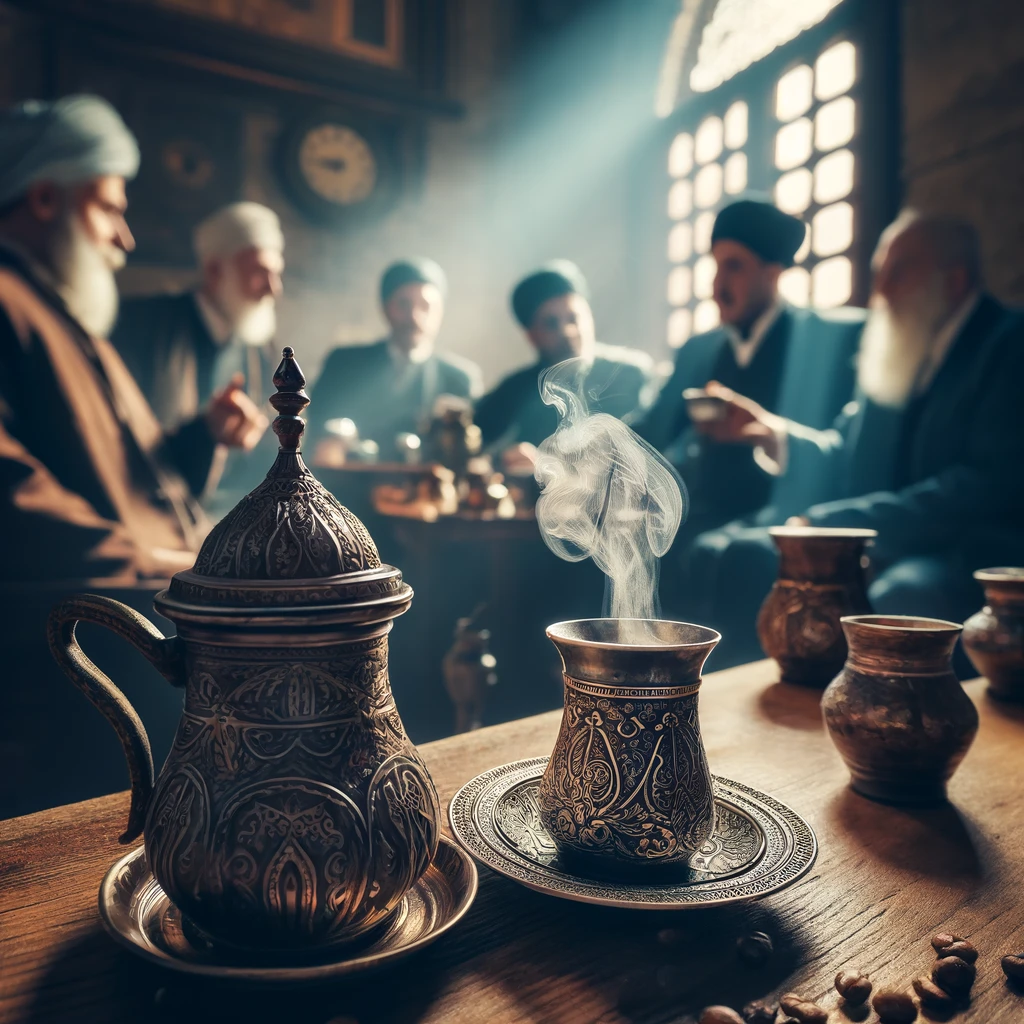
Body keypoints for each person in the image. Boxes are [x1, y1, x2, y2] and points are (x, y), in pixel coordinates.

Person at [686, 211, 1024, 667]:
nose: (880, 289)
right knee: (750, 554)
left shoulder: (1007, 345)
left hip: (964, 549)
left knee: (901, 593)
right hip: (884, 535)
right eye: (879, 272)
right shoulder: (908, 344)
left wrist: (842, 525)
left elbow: (982, 487)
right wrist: (772, 432)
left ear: (956, 279)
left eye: (899, 271)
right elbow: (843, 451)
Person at [0, 94, 268, 583]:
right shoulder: (9, 302)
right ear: (43, 199)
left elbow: (132, 476)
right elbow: (11, 496)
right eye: (107, 208)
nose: (124, 239)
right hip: (98, 625)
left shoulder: (63, 318)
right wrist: (155, 564)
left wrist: (204, 434)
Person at [633, 197, 863, 537]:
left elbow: (843, 452)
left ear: (772, 273)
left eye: (734, 267)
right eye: (716, 267)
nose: (717, 286)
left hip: (784, 518)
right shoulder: (699, 350)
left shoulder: (825, 343)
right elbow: (654, 428)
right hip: (697, 515)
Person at [112, 201, 284, 432]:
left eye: (276, 273)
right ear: (214, 270)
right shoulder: (143, 325)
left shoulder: (259, 348)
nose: (273, 289)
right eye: (259, 272)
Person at [474, 260, 652, 464]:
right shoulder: (513, 390)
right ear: (532, 336)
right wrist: (503, 457)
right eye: (551, 323)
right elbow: (479, 444)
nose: (568, 332)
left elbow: (633, 446)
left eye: (573, 318)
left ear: (589, 317)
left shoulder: (628, 375)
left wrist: (546, 462)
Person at [306, 258, 482, 460]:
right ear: (385, 308)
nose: (415, 316)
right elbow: (318, 422)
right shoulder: (344, 364)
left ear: (440, 311)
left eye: (426, 306)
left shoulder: (459, 379)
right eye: (404, 304)